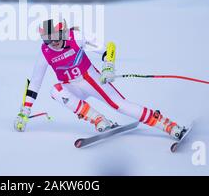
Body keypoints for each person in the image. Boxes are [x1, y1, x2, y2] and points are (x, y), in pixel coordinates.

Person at [14, 19, 188, 140]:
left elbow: (108, 48)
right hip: (72, 87)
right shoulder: (46, 52)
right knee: (55, 90)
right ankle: (99, 120)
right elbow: (35, 81)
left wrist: (108, 67)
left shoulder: (77, 37)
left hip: (91, 79)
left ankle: (168, 125)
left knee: (119, 105)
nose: (53, 43)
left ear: (63, 32)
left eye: (56, 37)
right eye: (47, 39)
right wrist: (25, 111)